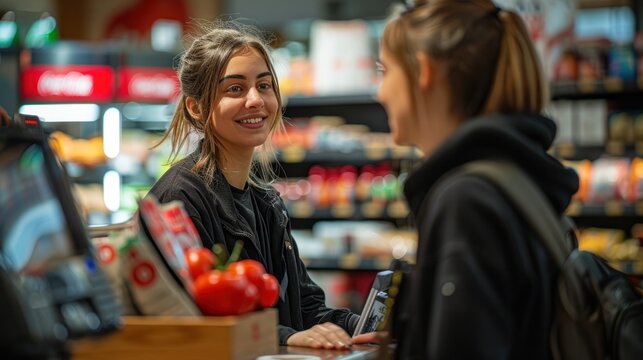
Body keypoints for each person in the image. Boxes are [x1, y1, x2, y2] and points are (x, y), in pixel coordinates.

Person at [146, 21, 374, 349]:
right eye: (235, 89)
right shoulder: (179, 199)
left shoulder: (266, 200)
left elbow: (305, 306)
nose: (256, 100)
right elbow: (194, 318)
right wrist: (289, 337)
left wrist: (366, 324)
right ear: (196, 107)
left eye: (264, 85)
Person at [375, 0, 579, 359]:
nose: (380, 92)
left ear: (423, 71)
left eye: (385, 70)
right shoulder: (514, 178)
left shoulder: (466, 201)